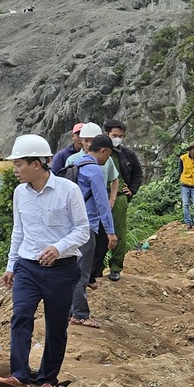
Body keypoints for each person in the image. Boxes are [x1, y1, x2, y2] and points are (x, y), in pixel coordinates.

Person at [0, 134, 89, 387]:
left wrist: (58, 248)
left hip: (62, 270)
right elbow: (19, 230)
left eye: (19, 164)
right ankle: (20, 376)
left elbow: (83, 230)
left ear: (36, 164)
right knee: (21, 316)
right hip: (27, 267)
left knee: (56, 325)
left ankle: (48, 378)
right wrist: (11, 265)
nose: (15, 170)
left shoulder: (68, 191)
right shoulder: (19, 193)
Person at [68, 135, 116, 329]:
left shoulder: (76, 165)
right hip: (87, 227)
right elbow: (102, 203)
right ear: (103, 150)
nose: (107, 160)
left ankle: (70, 310)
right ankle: (80, 314)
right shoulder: (94, 170)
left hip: (70, 226)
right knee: (82, 272)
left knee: (71, 269)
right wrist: (111, 232)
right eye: (108, 155)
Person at [105, 121, 143, 280]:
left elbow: (138, 174)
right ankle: (96, 267)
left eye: (120, 136)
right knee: (98, 233)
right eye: (115, 136)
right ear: (106, 134)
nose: (118, 139)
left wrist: (131, 190)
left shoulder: (127, 154)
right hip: (101, 197)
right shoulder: (100, 151)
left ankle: (115, 267)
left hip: (120, 197)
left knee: (119, 231)